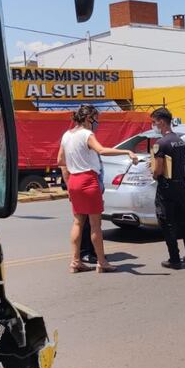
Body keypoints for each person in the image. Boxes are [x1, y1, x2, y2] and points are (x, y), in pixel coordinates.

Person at [57, 104, 139, 273]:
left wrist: (75, 163)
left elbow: (60, 160)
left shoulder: (67, 135)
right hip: (88, 180)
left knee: (78, 222)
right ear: (89, 118)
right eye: (96, 119)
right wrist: (126, 152)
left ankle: (75, 261)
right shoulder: (86, 134)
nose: (97, 122)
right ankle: (102, 262)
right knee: (95, 225)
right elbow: (101, 150)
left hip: (74, 180)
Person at [150, 107, 185, 269]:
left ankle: (174, 259)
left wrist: (154, 174)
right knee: (184, 222)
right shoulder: (179, 140)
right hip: (180, 186)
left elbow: (158, 169)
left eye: (154, 122)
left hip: (166, 187)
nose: (153, 125)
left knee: (167, 222)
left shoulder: (160, 143)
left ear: (162, 122)